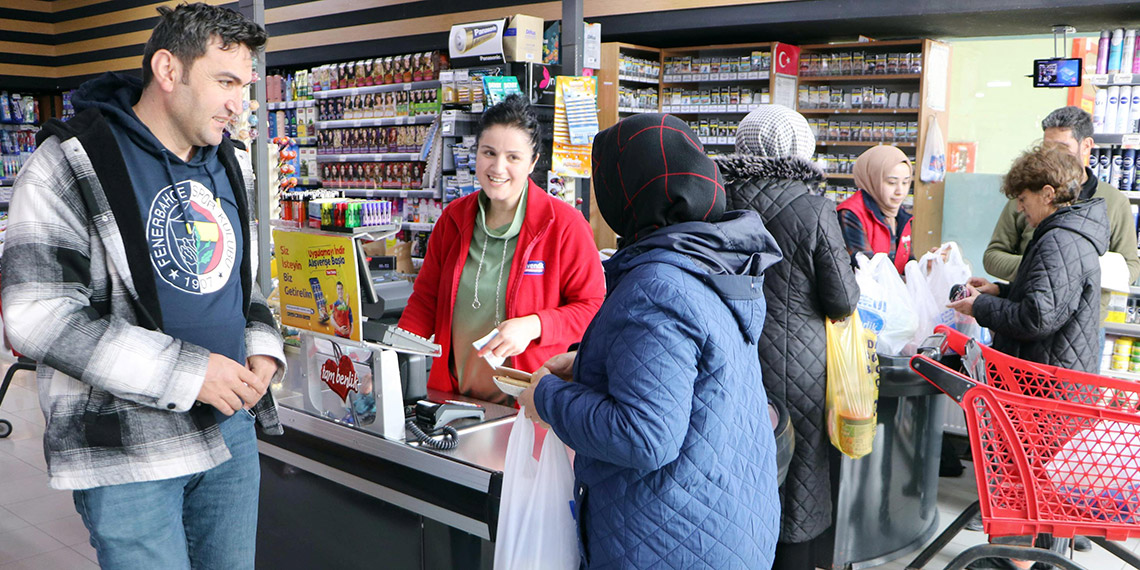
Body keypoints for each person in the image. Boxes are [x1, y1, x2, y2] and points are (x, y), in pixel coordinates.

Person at [1, 4, 282, 569]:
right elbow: (36, 314)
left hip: (231, 433)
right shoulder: (68, 164)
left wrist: (262, 345)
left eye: (244, 85)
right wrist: (187, 371)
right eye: (224, 82)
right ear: (168, 70)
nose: (239, 104)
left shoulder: (227, 162)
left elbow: (238, 280)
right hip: (129, 447)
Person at [517, 113, 783, 568]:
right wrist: (585, 365)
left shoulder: (657, 285)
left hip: (668, 540)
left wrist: (546, 398)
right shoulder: (713, 259)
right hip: (725, 520)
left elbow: (644, 437)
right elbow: (688, 369)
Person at [715, 105, 860, 570]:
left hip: (727, 351)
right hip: (799, 365)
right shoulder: (815, 207)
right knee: (798, 476)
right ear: (803, 148)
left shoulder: (715, 199)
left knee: (731, 462)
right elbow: (841, 301)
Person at [949, 143, 1107, 568]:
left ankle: (1011, 561)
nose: (1021, 210)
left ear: (1048, 193)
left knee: (1020, 480)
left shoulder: (1059, 239)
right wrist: (999, 291)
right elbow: (1047, 299)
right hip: (1055, 383)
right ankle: (1027, 558)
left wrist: (978, 308)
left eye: (1023, 200)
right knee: (1032, 484)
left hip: (1044, 390)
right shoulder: (1071, 234)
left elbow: (1038, 317)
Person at [397, 94, 605, 404]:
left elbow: (592, 308)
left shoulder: (564, 225)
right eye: (489, 152)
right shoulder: (453, 219)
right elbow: (426, 300)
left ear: (533, 162)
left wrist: (533, 325)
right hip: (454, 397)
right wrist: (391, 360)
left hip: (530, 404)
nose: (498, 167)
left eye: (513, 157)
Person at [984, 106, 1140, 355]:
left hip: (1083, 331)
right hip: (1027, 320)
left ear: (1086, 145)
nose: (1053, 156)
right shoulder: (1029, 196)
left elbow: (1131, 268)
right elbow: (993, 256)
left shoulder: (1113, 202)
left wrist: (1069, 272)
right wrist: (1039, 270)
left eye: (1062, 148)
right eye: (1047, 148)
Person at [836, 145, 914, 272]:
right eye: (892, 182)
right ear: (872, 179)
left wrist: (927, 265)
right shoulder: (851, 214)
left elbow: (904, 262)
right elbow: (865, 268)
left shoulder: (899, 215)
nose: (900, 191)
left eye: (905, 182)